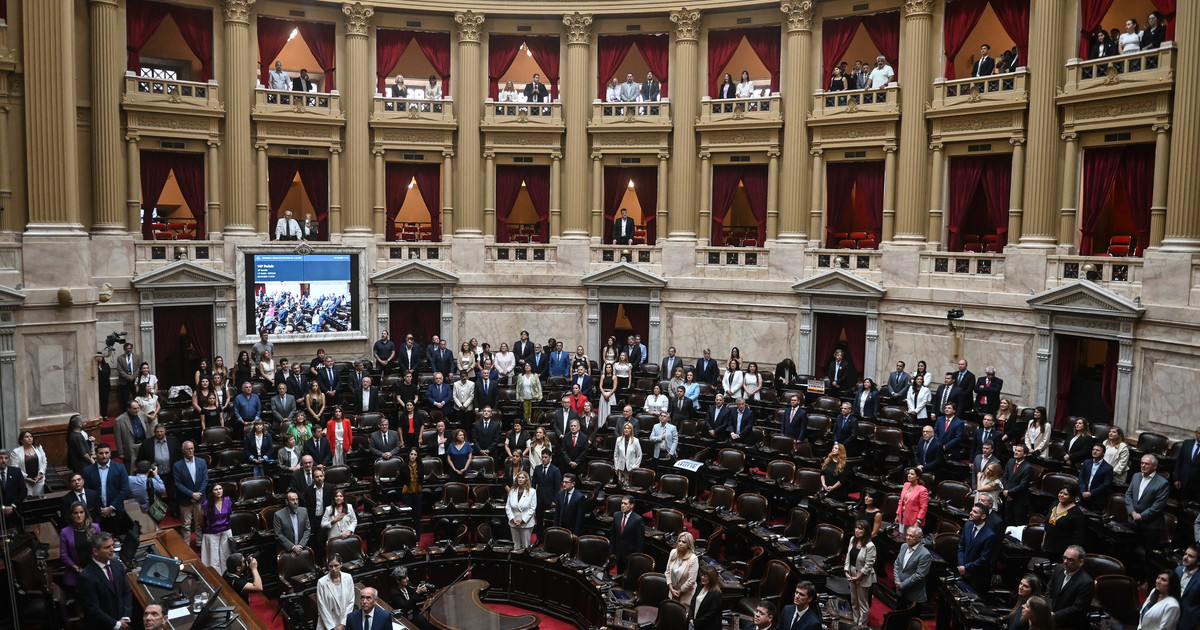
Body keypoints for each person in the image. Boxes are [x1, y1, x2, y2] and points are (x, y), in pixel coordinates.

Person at [76, 532, 133, 630]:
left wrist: (126, 617)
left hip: (123, 620)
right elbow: (93, 609)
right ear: (95, 551)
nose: (112, 549)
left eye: (112, 545)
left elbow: (126, 591)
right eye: (107, 547)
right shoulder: (86, 577)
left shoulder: (117, 564)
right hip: (104, 625)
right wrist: (116, 624)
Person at [1128, 454, 1171, 577]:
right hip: (1134, 521)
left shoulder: (1163, 483)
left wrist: (1141, 516)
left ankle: (1146, 581)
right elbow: (1128, 495)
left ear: (1155, 467)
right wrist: (1133, 512)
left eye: (1147, 464)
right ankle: (1130, 577)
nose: (1143, 465)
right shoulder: (1136, 476)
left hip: (1151, 526)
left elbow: (1158, 505)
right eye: (1142, 463)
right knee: (1130, 551)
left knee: (1149, 557)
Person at [1045, 545, 1093, 630]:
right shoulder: (1059, 568)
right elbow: (1049, 590)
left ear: (1081, 562)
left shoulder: (1086, 582)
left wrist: (1055, 615)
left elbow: (1077, 608)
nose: (1065, 561)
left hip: (1068, 624)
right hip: (1051, 615)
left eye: (1070, 559)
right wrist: (1050, 610)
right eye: (1064, 558)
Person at [83, 444, 127, 534]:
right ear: (96, 454)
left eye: (106, 453)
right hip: (96, 514)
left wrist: (111, 507)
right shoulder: (87, 471)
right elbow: (87, 491)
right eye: (101, 453)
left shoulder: (120, 468)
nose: (104, 456)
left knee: (118, 537)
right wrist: (99, 509)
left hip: (116, 511)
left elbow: (124, 489)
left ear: (110, 454)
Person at [840, 519, 876, 626]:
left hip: (863, 577)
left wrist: (858, 577)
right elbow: (848, 557)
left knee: (863, 604)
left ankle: (861, 626)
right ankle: (855, 622)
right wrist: (846, 571)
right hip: (852, 574)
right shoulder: (852, 539)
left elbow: (868, 566)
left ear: (866, 531)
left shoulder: (870, 546)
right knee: (854, 600)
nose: (857, 530)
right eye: (856, 527)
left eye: (860, 528)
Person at [957, 503, 998, 593]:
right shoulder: (968, 525)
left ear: (983, 516)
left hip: (977, 577)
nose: (971, 513)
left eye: (975, 512)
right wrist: (962, 566)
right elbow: (961, 547)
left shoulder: (990, 535)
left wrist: (966, 568)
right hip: (962, 572)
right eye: (972, 510)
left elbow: (984, 559)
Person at [59, 502, 101, 589]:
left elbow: (100, 547)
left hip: (95, 569)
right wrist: (78, 569)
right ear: (71, 516)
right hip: (75, 572)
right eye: (75, 513)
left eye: (81, 512)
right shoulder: (65, 532)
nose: (79, 515)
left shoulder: (95, 528)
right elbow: (63, 555)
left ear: (85, 514)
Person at [1043, 488, 1085, 560]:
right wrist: (1043, 541)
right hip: (1049, 544)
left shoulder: (1076, 512)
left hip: (1063, 549)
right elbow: (1047, 525)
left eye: (1065, 494)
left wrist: (1071, 552)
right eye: (1060, 493)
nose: (1061, 495)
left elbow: (1078, 535)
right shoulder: (1055, 504)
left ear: (1071, 497)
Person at [894, 525, 931, 608]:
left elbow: (919, 575)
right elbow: (897, 564)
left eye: (911, 536)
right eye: (907, 535)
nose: (908, 538)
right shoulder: (903, 546)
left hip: (913, 595)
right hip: (900, 591)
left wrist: (902, 585)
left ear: (919, 538)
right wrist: (897, 581)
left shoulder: (925, 554)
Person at [316, 555, 356, 630]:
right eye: (330, 566)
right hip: (327, 624)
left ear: (341, 564)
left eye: (336, 565)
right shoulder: (322, 582)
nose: (333, 569)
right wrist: (332, 627)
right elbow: (321, 606)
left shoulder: (348, 578)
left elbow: (351, 602)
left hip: (344, 621)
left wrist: (343, 624)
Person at [201, 483, 233, 570]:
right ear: (211, 492)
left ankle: (227, 575)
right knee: (213, 559)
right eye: (216, 489)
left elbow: (230, 515)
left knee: (226, 556)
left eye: (220, 489)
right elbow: (200, 521)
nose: (219, 491)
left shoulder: (227, 500)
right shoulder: (206, 504)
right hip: (212, 533)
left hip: (226, 532)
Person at [609, 495, 645, 573]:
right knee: (619, 575)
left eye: (625, 504)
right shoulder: (616, 515)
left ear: (631, 505)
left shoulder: (638, 520)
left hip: (630, 556)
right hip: (618, 554)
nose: (622, 505)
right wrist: (612, 551)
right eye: (622, 503)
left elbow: (639, 541)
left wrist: (635, 557)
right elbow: (613, 535)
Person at [1003, 444, 1034, 525]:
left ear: (1025, 454)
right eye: (1015, 450)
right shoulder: (1010, 461)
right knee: (1008, 521)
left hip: (1019, 500)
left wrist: (1009, 492)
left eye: (1019, 451)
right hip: (1008, 498)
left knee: (1018, 523)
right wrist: (1006, 490)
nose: (1016, 452)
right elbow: (1005, 477)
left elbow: (1023, 485)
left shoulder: (1028, 467)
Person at [113, 399, 150, 466]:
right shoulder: (119, 420)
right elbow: (118, 438)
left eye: (138, 408)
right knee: (130, 468)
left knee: (144, 466)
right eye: (134, 409)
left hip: (143, 444)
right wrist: (121, 452)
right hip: (130, 447)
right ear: (128, 408)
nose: (137, 410)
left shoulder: (142, 415)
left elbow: (147, 430)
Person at [506, 471, 537, 550]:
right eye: (519, 477)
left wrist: (523, 520)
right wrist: (512, 519)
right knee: (516, 545)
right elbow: (508, 507)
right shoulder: (512, 491)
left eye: (522, 478)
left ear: (526, 479)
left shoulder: (532, 492)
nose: (520, 479)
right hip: (514, 522)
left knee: (526, 546)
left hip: (526, 523)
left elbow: (532, 508)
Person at [532, 448, 561, 528]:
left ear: (550, 457)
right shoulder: (537, 468)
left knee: (548, 520)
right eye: (542, 457)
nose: (544, 459)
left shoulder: (555, 470)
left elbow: (557, 487)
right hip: (539, 497)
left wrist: (555, 500)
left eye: (546, 457)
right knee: (539, 518)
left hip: (550, 497)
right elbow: (533, 484)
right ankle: (539, 534)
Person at [12, 431, 47, 496]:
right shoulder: (16, 452)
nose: (29, 438)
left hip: (38, 480)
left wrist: (41, 473)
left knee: (39, 499)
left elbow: (44, 461)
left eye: (31, 436)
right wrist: (25, 477)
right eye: (26, 437)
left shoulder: (38, 447)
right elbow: (14, 467)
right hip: (24, 481)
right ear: (21, 440)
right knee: (28, 499)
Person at [688, 565, 723, 630]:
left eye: (705, 576)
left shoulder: (717, 594)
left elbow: (711, 614)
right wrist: (690, 618)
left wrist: (696, 622)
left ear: (712, 577)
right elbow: (693, 602)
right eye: (702, 575)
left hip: (706, 626)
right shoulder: (700, 586)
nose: (702, 577)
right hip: (694, 623)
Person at [1175, 545, 1200, 626]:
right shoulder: (1178, 570)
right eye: (1185, 554)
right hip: (1172, 612)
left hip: (1188, 620)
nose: (1185, 557)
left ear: (1198, 562)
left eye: (1190, 556)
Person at [1175, 425, 1200, 501]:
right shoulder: (1187, 443)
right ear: (1196, 433)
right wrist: (1177, 478)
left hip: (1197, 485)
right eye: (1199, 433)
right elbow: (1179, 461)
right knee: (1181, 502)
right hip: (1183, 481)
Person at [614, 421, 642, 485]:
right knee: (621, 485)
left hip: (631, 467)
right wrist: (616, 467)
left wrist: (635, 467)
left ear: (631, 430)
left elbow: (639, 455)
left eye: (628, 428)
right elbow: (616, 454)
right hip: (621, 467)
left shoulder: (635, 441)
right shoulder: (618, 440)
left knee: (629, 485)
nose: (626, 430)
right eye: (625, 428)